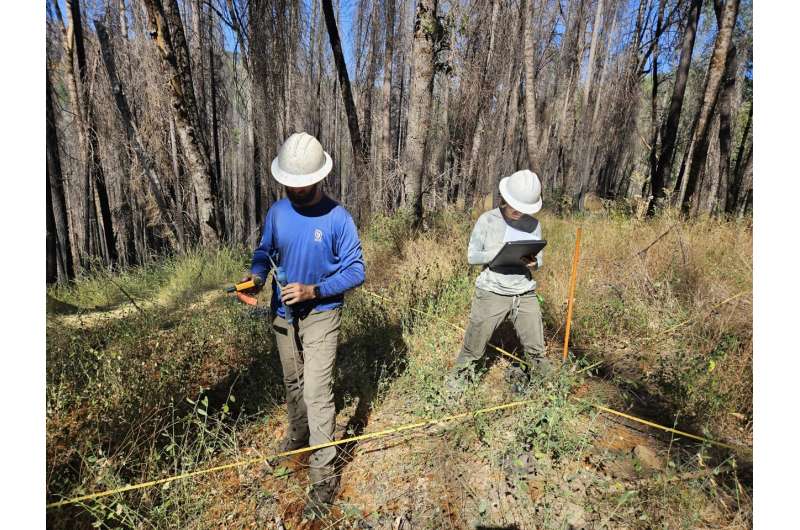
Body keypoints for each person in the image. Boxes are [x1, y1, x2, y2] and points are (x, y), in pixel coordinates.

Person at [243, 132, 365, 518]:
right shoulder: (277, 212)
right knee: (293, 384)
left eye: (302, 183)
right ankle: (297, 439)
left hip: (322, 314)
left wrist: (315, 290)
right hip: (282, 314)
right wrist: (257, 276)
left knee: (316, 390)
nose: (295, 190)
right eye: (289, 184)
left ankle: (323, 478)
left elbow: (357, 270)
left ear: (319, 177)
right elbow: (265, 249)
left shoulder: (338, 219)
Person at [445, 169, 552, 394]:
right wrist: (499, 252)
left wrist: (533, 263)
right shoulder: (488, 220)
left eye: (523, 209)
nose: (518, 212)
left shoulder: (533, 225)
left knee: (536, 349)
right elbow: (472, 256)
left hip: (524, 291)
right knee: (474, 347)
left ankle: (549, 390)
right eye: (515, 206)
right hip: (492, 291)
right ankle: (454, 390)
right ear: (505, 198)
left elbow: (539, 260)